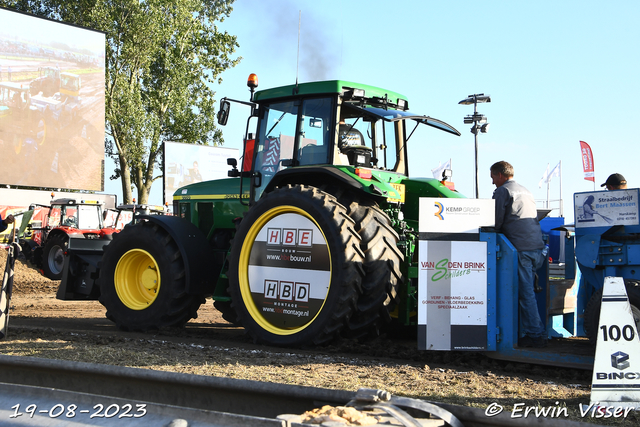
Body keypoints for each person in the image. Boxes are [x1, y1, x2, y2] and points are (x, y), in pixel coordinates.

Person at [490, 161, 547, 348]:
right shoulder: (525, 190)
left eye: (492, 177)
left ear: (499, 175)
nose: (492, 182)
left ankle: (534, 334)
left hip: (521, 249)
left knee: (526, 293)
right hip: (537, 248)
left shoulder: (503, 191)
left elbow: (496, 221)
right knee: (527, 291)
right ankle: (531, 330)